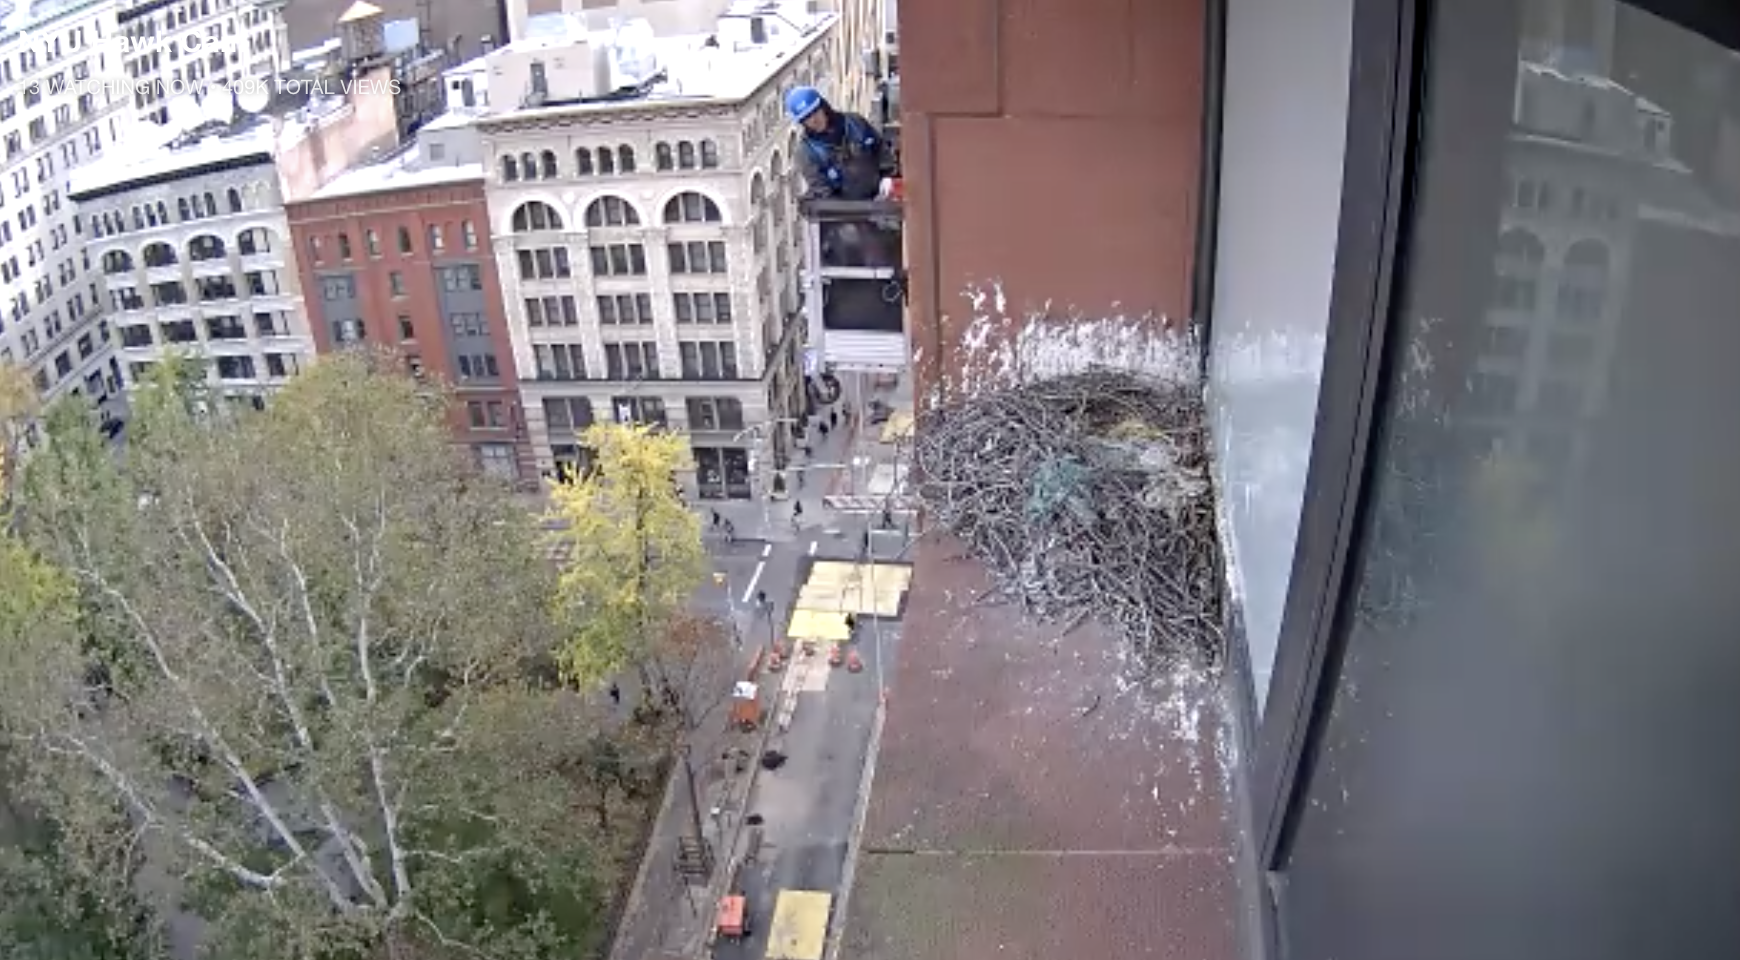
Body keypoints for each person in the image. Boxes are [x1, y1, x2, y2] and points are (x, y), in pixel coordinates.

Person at [786, 86, 895, 202]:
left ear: (823, 106)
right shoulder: (807, 152)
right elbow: (823, 192)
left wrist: (886, 175)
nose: (814, 120)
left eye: (815, 112)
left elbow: (879, 147)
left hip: (880, 198)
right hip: (844, 213)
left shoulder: (855, 123)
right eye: (806, 118)